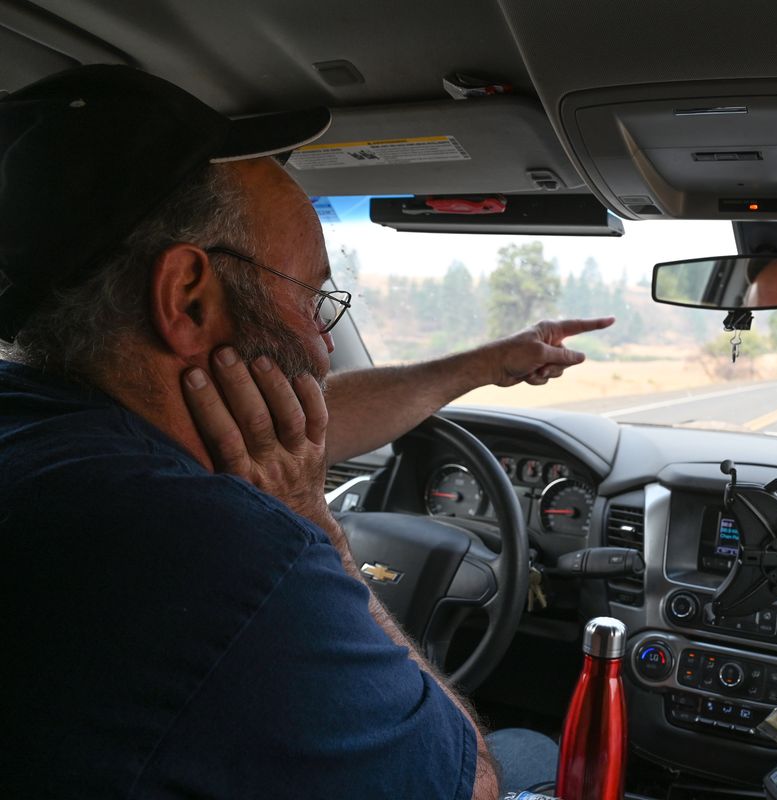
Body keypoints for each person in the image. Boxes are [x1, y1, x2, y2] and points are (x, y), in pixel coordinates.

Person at [0, 65, 611, 798]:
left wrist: (485, 363)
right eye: (314, 298)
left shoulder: (40, 433)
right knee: (526, 754)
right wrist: (317, 531)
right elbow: (468, 785)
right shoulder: (226, 554)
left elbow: (297, 422)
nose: (323, 347)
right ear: (189, 300)